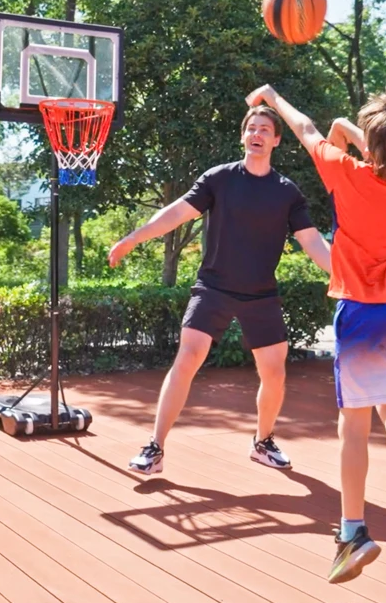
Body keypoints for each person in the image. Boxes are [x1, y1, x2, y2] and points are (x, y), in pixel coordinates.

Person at [245, 84, 386, 584]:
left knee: (353, 425)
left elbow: (306, 127)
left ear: (372, 143)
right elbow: (371, 148)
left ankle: (353, 532)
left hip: (363, 314)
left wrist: (272, 97)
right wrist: (352, 131)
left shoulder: (345, 172)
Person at [108, 104, 331, 475]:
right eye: (251, 128)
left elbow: (312, 242)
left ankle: (263, 442)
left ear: (276, 140)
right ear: (243, 136)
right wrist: (134, 238)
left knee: (274, 373)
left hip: (261, 293)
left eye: (265, 130)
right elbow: (177, 212)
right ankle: (155, 448)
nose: (257, 134)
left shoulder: (287, 193)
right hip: (213, 287)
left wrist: (347, 273)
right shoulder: (219, 178)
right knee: (188, 357)